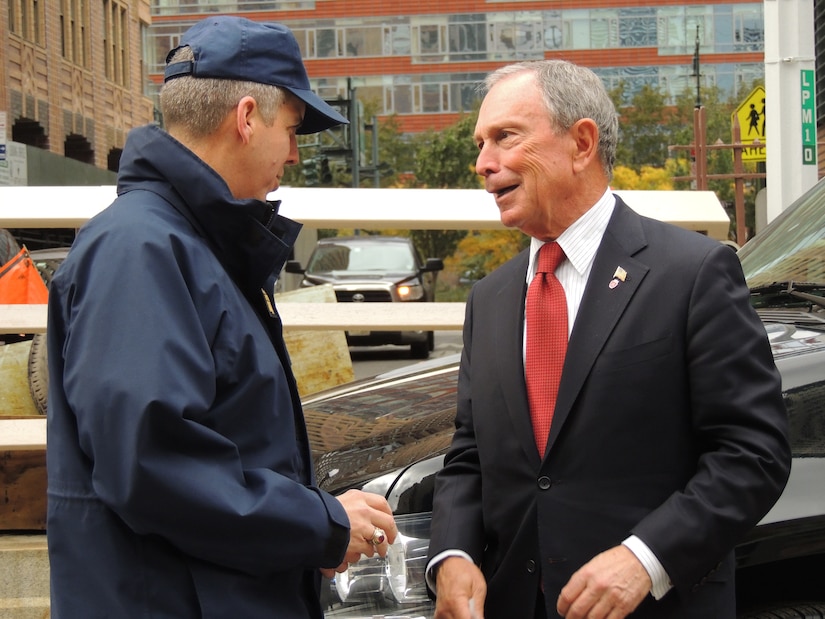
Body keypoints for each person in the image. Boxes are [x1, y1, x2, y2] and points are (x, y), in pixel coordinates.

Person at [46, 16, 396, 618]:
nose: (293, 151)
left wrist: (317, 521)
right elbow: (155, 468)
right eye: (290, 129)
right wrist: (322, 523)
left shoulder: (185, 242)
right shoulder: (145, 250)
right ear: (246, 117)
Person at [426, 60, 791, 619]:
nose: (482, 163)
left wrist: (645, 559)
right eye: (480, 143)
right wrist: (451, 553)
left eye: (505, 137)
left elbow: (752, 454)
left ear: (581, 143)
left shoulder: (692, 274)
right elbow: (470, 454)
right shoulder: (489, 299)